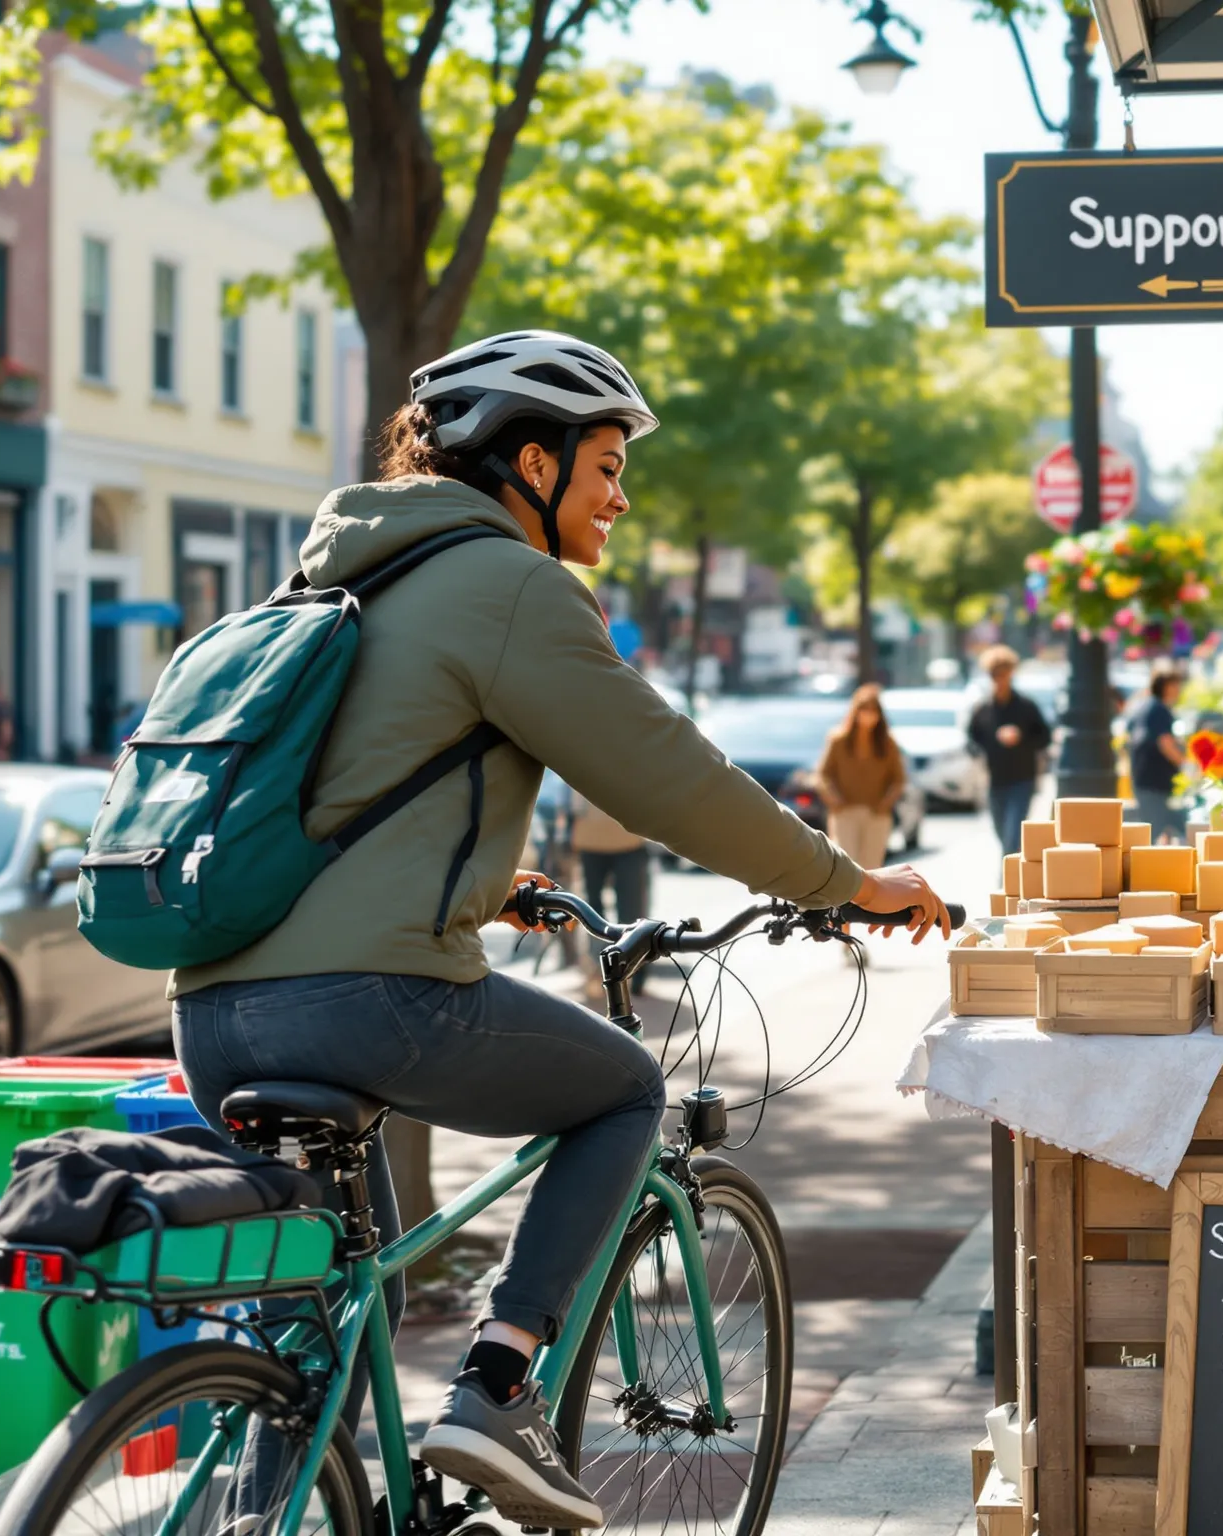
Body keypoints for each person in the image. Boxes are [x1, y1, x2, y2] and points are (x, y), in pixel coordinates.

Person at [166, 330, 950, 1529]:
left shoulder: (334, 581)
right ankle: (496, 1387)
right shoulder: (512, 584)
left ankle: (270, 1502)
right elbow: (663, 775)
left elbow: (337, 807)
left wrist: (482, 882)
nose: (622, 497)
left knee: (315, 1341)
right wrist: (845, 882)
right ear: (531, 463)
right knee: (623, 1090)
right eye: (606, 465)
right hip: (364, 1003)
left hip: (213, 1010)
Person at [967, 645, 1052, 855]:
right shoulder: (983, 709)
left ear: (1011, 674)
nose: (998, 679)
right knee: (1001, 833)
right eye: (993, 675)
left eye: (1002, 674)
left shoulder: (1026, 706)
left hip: (1022, 780)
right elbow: (972, 741)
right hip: (995, 780)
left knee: (1012, 836)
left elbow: (1045, 738)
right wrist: (986, 749)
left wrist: (1021, 738)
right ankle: (1013, 873)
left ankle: (1007, 882)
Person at [816, 684, 906, 869]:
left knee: (871, 867)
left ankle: (866, 900)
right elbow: (823, 775)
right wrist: (835, 801)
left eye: (873, 710)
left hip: (876, 814)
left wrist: (885, 804)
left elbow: (898, 780)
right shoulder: (838, 740)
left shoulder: (887, 743)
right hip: (845, 812)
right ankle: (847, 900)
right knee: (845, 865)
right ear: (855, 711)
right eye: (864, 709)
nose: (868, 715)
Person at [568, 789, 652, 927]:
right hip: (593, 840)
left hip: (627, 842)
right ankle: (603, 945)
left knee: (628, 912)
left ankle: (626, 944)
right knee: (593, 909)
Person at [1127, 666, 1189, 844]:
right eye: (1176, 685)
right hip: (1154, 782)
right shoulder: (1159, 710)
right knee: (1155, 828)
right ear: (1166, 686)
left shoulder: (1145, 706)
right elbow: (1165, 742)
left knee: (1157, 827)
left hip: (1144, 779)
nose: (1179, 690)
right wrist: (1185, 764)